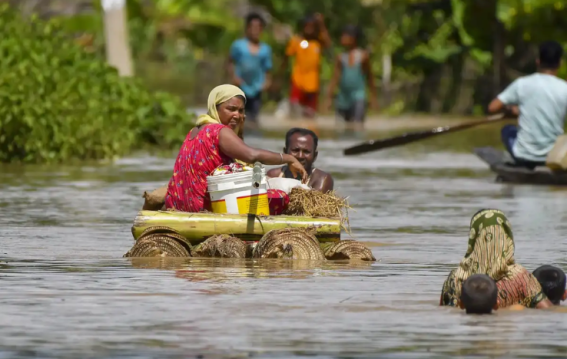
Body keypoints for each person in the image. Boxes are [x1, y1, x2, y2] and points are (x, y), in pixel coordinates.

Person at [165, 85, 307, 213]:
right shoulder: (218, 131)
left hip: (178, 203)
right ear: (215, 107)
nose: (237, 115)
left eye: (241, 111)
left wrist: (239, 130)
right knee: (281, 197)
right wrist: (289, 158)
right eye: (231, 109)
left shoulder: (195, 130)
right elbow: (252, 155)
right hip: (203, 207)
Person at [440, 209, 553, 310]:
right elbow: (547, 311)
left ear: (474, 238)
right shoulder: (521, 276)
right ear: (507, 237)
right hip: (502, 330)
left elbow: (444, 312)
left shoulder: (455, 278)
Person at [488, 41, 567, 169]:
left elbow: (493, 107)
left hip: (524, 156)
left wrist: (510, 109)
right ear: (560, 64)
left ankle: (520, 161)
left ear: (538, 61)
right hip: (552, 157)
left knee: (507, 129)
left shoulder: (522, 84)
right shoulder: (564, 88)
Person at [324, 25, 378, 134]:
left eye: (345, 36)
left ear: (353, 38)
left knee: (357, 125)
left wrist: (373, 97)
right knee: (340, 127)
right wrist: (329, 98)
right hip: (343, 97)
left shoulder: (363, 56)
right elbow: (335, 78)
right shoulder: (341, 57)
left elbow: (370, 78)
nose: (342, 38)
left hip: (358, 96)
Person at [228, 13, 272, 132]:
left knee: (254, 116)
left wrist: (267, 82)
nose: (255, 31)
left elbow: (267, 69)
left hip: (257, 86)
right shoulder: (238, 46)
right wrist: (234, 77)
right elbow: (230, 62)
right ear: (247, 28)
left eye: (258, 28)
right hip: (241, 85)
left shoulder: (265, 49)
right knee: (238, 113)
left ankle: (253, 138)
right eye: (253, 27)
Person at [283, 13, 331, 119]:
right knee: (295, 113)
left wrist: (321, 24)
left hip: (313, 84)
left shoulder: (317, 42)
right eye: (307, 26)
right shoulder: (296, 41)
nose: (309, 29)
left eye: (312, 26)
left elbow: (328, 44)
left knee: (310, 114)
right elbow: (286, 57)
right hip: (298, 82)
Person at [266, 128, 334, 193]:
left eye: (306, 152)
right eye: (295, 150)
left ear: (315, 155)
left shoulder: (322, 179)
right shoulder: (273, 176)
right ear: (285, 152)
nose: (300, 156)